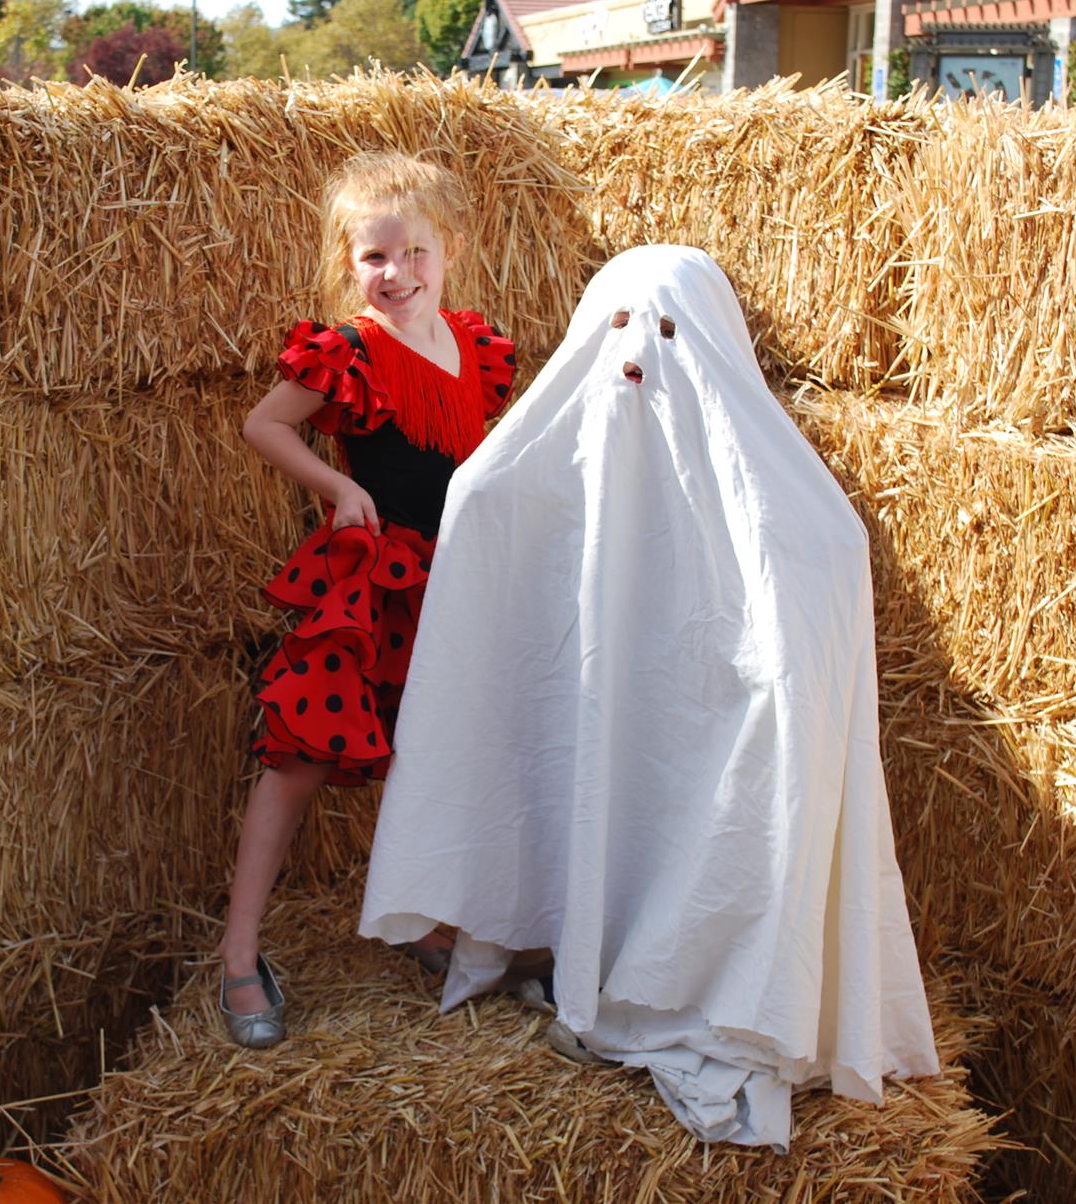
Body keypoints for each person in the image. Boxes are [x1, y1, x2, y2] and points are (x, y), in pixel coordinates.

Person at [359, 246, 939, 1148]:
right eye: (620, 328)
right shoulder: (548, 468)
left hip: (708, 768)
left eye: (666, 332)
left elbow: (816, 574)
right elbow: (493, 515)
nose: (636, 356)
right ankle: (568, 942)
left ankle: (681, 968)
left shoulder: (774, 497)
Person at [216, 151, 517, 1048]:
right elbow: (264, 423)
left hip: (449, 584)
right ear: (349, 262)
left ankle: (422, 918)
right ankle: (238, 955)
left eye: (415, 252)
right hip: (373, 582)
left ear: (449, 248)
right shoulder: (348, 351)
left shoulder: (473, 346)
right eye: (376, 256)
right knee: (300, 759)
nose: (398, 273)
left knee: (434, 753)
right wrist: (338, 487)